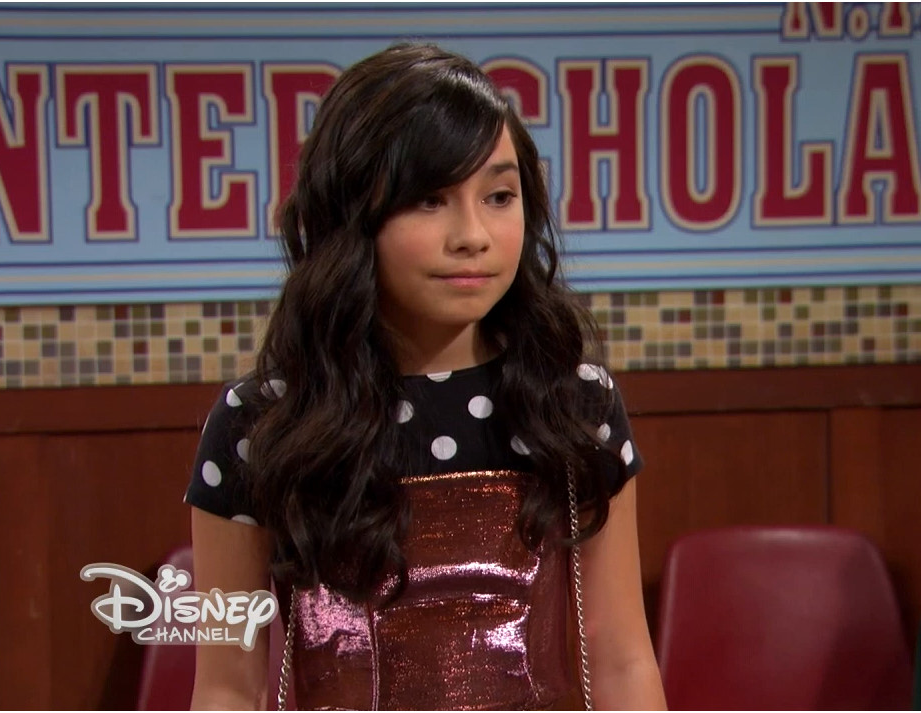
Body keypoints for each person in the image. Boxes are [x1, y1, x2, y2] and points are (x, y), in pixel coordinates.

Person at [184, 43, 667, 710]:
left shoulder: (572, 402)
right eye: (430, 200)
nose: (472, 234)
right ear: (353, 216)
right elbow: (227, 686)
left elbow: (621, 661)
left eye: (498, 196)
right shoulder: (259, 422)